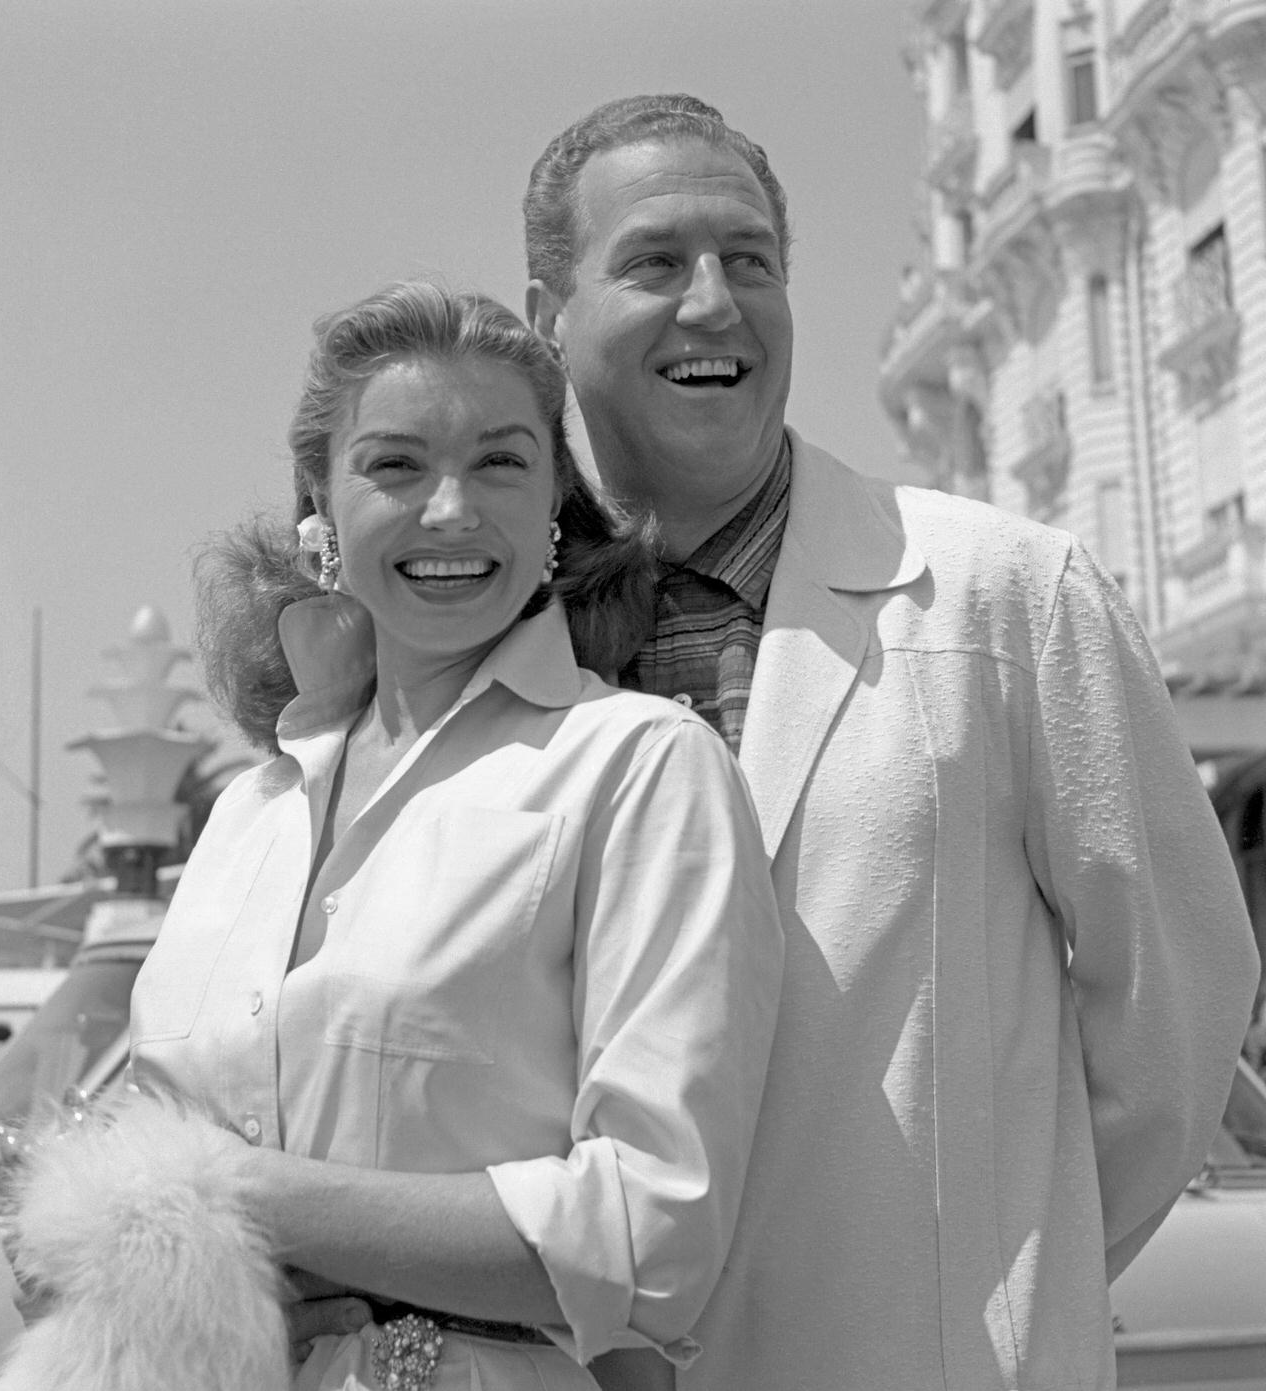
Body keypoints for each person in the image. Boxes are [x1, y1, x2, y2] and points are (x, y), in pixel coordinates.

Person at [518, 94, 1263, 1390]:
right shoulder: (500, 656)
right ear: (547, 320)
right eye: (654, 262)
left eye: (751, 260)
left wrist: (1008, 1285)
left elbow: (1177, 1016)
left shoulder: (1005, 596)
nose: (713, 302)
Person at [125, 282, 785, 1390]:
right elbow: (125, 1161)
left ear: (553, 520)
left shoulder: (634, 766)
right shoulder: (249, 814)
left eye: (499, 463)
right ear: (319, 520)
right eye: (393, 464)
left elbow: (653, 1226)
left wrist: (231, 1202)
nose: (448, 511)